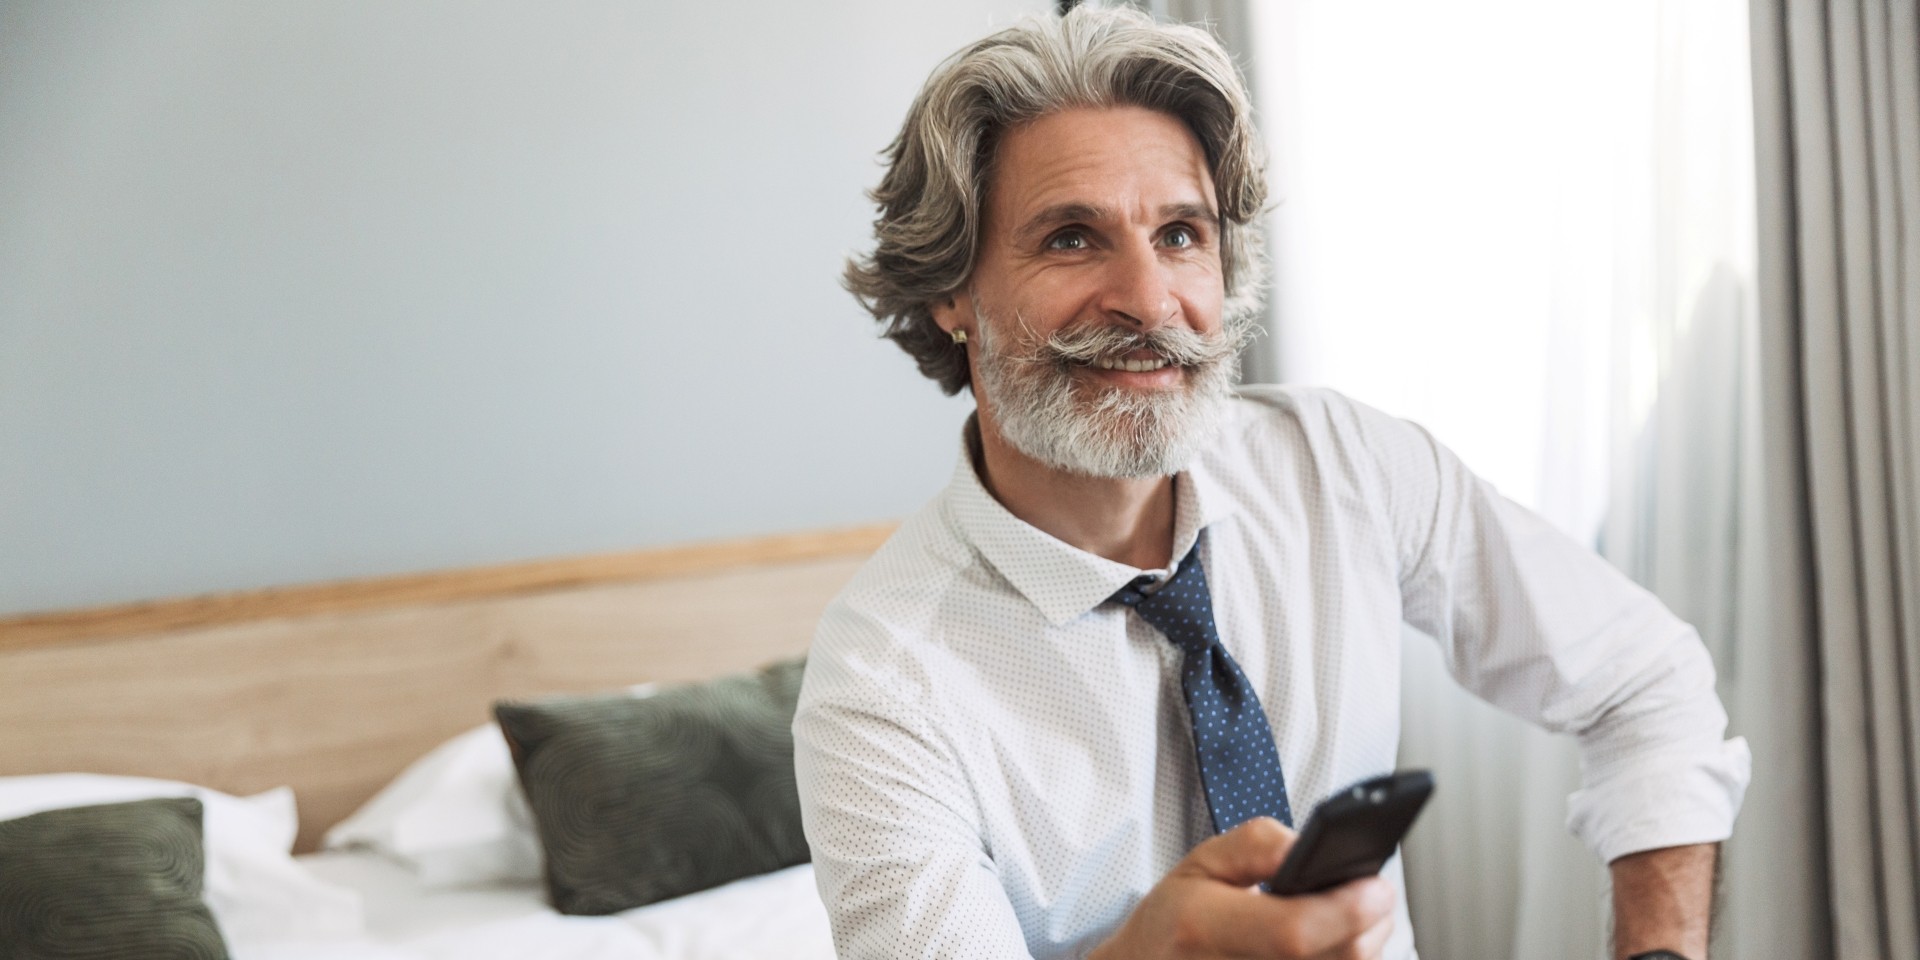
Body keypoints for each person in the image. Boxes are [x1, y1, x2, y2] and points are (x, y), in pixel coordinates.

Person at [792, 8, 1749, 960]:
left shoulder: (1345, 468)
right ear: (949, 290)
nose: (1149, 300)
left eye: (1179, 234)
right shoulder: (880, 684)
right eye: (1072, 239)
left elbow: (1647, 682)